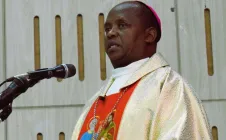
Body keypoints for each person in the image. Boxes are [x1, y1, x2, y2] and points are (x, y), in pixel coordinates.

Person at [72, 1, 212, 140]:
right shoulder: (95, 101)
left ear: (149, 35)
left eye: (122, 25)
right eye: (107, 29)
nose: (111, 33)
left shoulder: (168, 87)